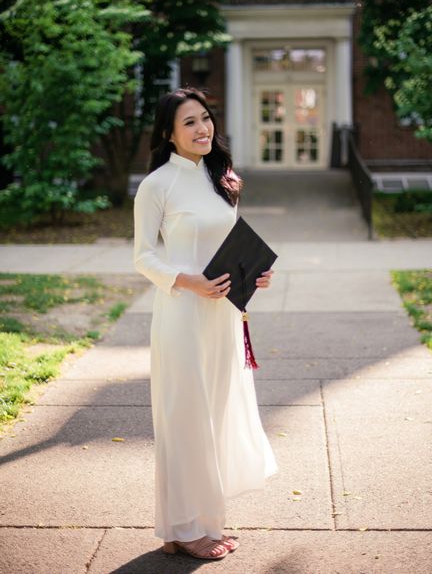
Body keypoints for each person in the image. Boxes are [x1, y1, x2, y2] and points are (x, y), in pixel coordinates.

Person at [133, 86, 278, 561]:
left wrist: (255, 272)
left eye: (206, 118)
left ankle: (198, 522)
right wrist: (186, 281)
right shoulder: (157, 185)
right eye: (189, 122)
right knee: (184, 418)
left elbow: (230, 241)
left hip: (223, 317)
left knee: (213, 415)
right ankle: (183, 526)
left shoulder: (224, 179)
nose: (202, 129)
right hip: (182, 314)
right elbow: (143, 256)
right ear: (169, 134)